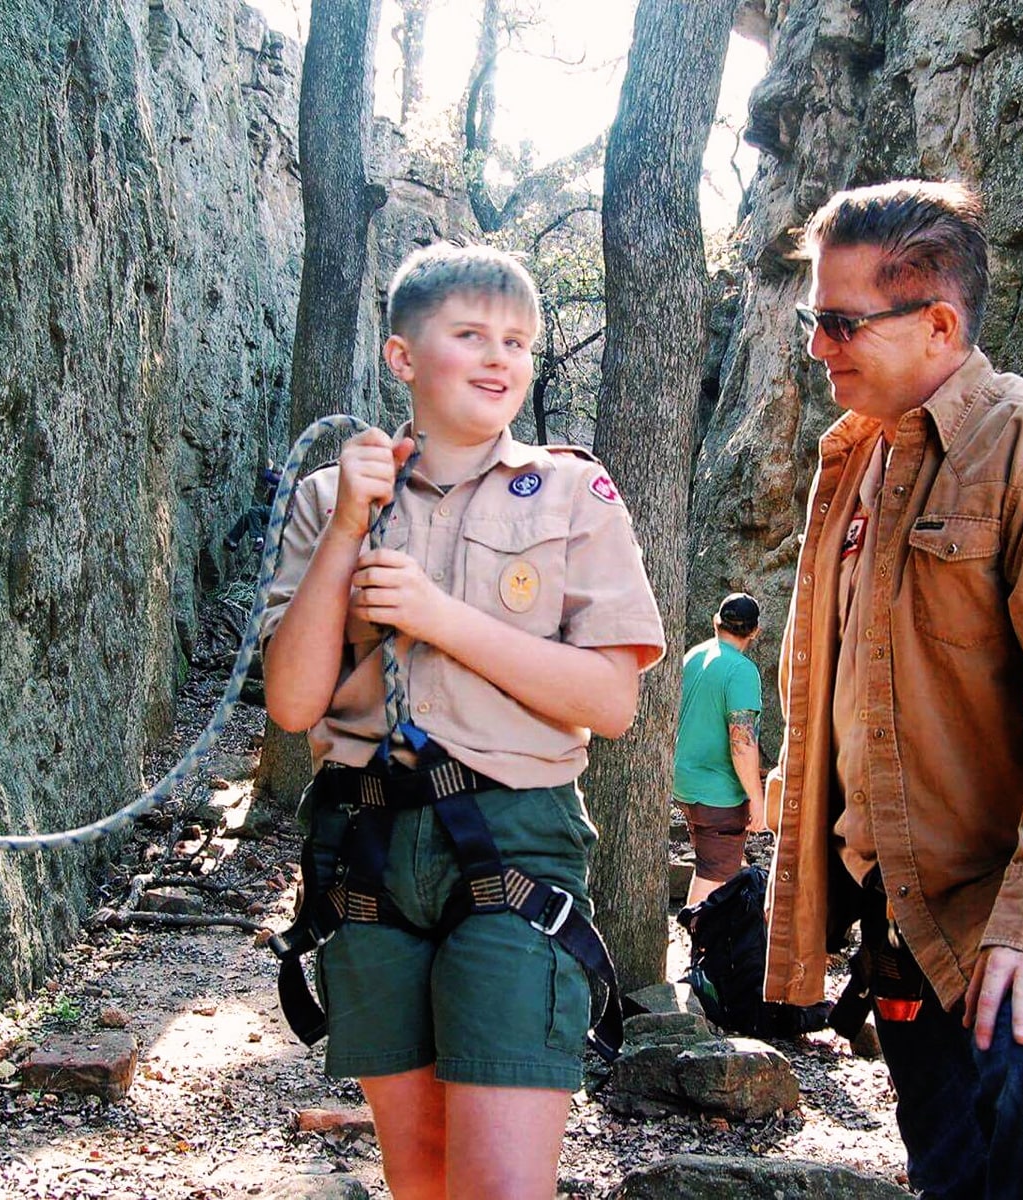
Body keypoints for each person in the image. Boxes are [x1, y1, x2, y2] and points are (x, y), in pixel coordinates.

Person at [260, 243, 665, 1200]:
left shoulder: (571, 491)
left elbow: (609, 703)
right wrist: (351, 526)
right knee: (424, 1176)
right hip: (365, 842)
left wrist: (441, 618)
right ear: (402, 357)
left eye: (518, 340)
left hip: (514, 837)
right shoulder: (327, 498)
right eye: (471, 333)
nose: (500, 358)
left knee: (501, 1188)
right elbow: (291, 702)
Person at [764, 178, 1023, 1198]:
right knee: (952, 1177)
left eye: (839, 322)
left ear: (940, 322)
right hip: (903, 913)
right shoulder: (854, 461)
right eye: (809, 320)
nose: (818, 346)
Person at [673, 592, 765, 906]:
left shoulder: (693, 657)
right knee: (710, 878)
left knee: (725, 865)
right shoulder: (741, 671)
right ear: (755, 631)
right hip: (718, 797)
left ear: (717, 621)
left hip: (685, 785)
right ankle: (696, 944)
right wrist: (757, 799)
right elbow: (741, 743)